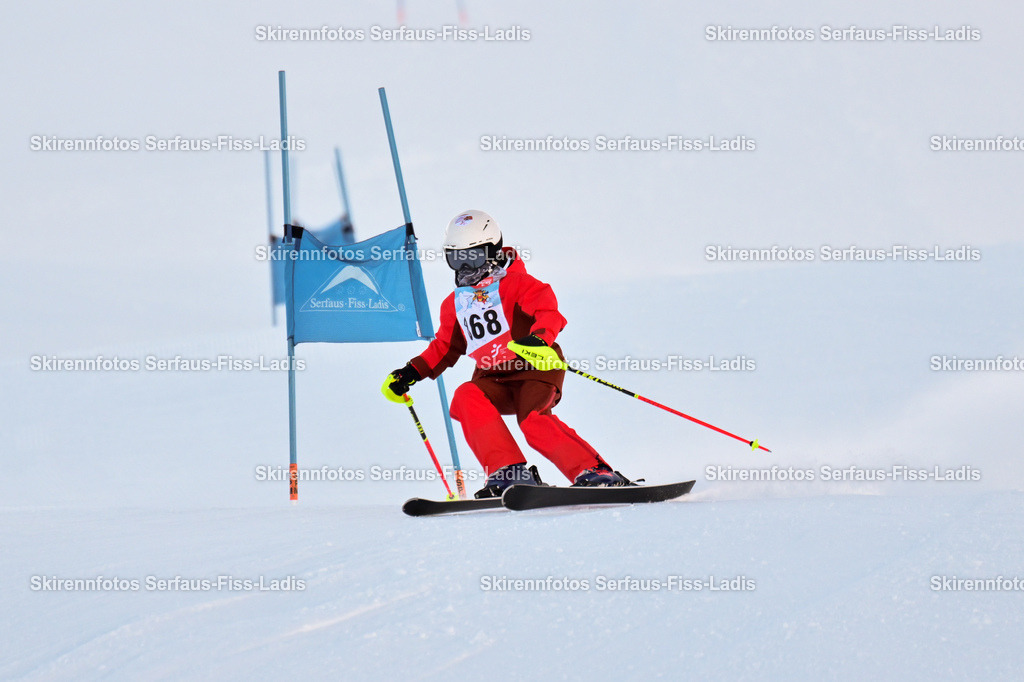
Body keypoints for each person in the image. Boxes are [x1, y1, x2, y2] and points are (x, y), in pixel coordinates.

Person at [382, 210, 626, 498]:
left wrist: (540, 340)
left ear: (493, 251)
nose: (464, 268)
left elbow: (548, 312)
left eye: (471, 257)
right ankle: (508, 471)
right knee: (466, 396)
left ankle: (594, 471)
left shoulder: (519, 284)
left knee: (533, 420)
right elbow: (444, 347)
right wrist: (411, 372)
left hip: (535, 368)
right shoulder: (455, 304)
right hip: (493, 378)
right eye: (455, 259)